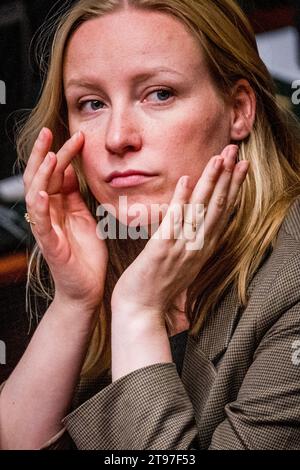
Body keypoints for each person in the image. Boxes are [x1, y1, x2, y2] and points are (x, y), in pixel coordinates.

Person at [1, 0, 300, 450]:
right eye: (92, 103)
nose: (118, 137)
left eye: (158, 94)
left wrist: (137, 314)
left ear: (239, 110)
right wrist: (75, 301)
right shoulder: (120, 245)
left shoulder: (292, 282)